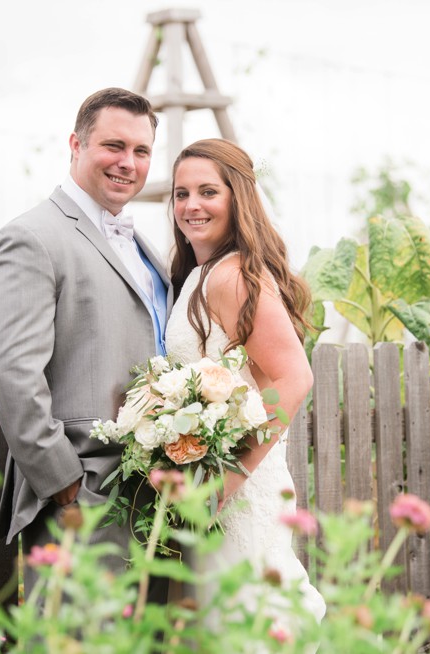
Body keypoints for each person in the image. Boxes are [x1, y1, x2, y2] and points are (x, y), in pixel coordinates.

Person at [0, 87, 170, 599]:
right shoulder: (32, 237)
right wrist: (65, 482)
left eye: (141, 151)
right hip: (82, 496)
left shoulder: (146, 246)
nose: (127, 163)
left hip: (149, 497)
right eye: (114, 146)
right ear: (76, 145)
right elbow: (8, 368)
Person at [164, 138, 326, 627]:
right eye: (180, 193)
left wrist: (222, 485)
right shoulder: (201, 273)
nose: (191, 205)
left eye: (207, 192)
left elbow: (293, 378)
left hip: (235, 490)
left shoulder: (232, 276)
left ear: (238, 198)